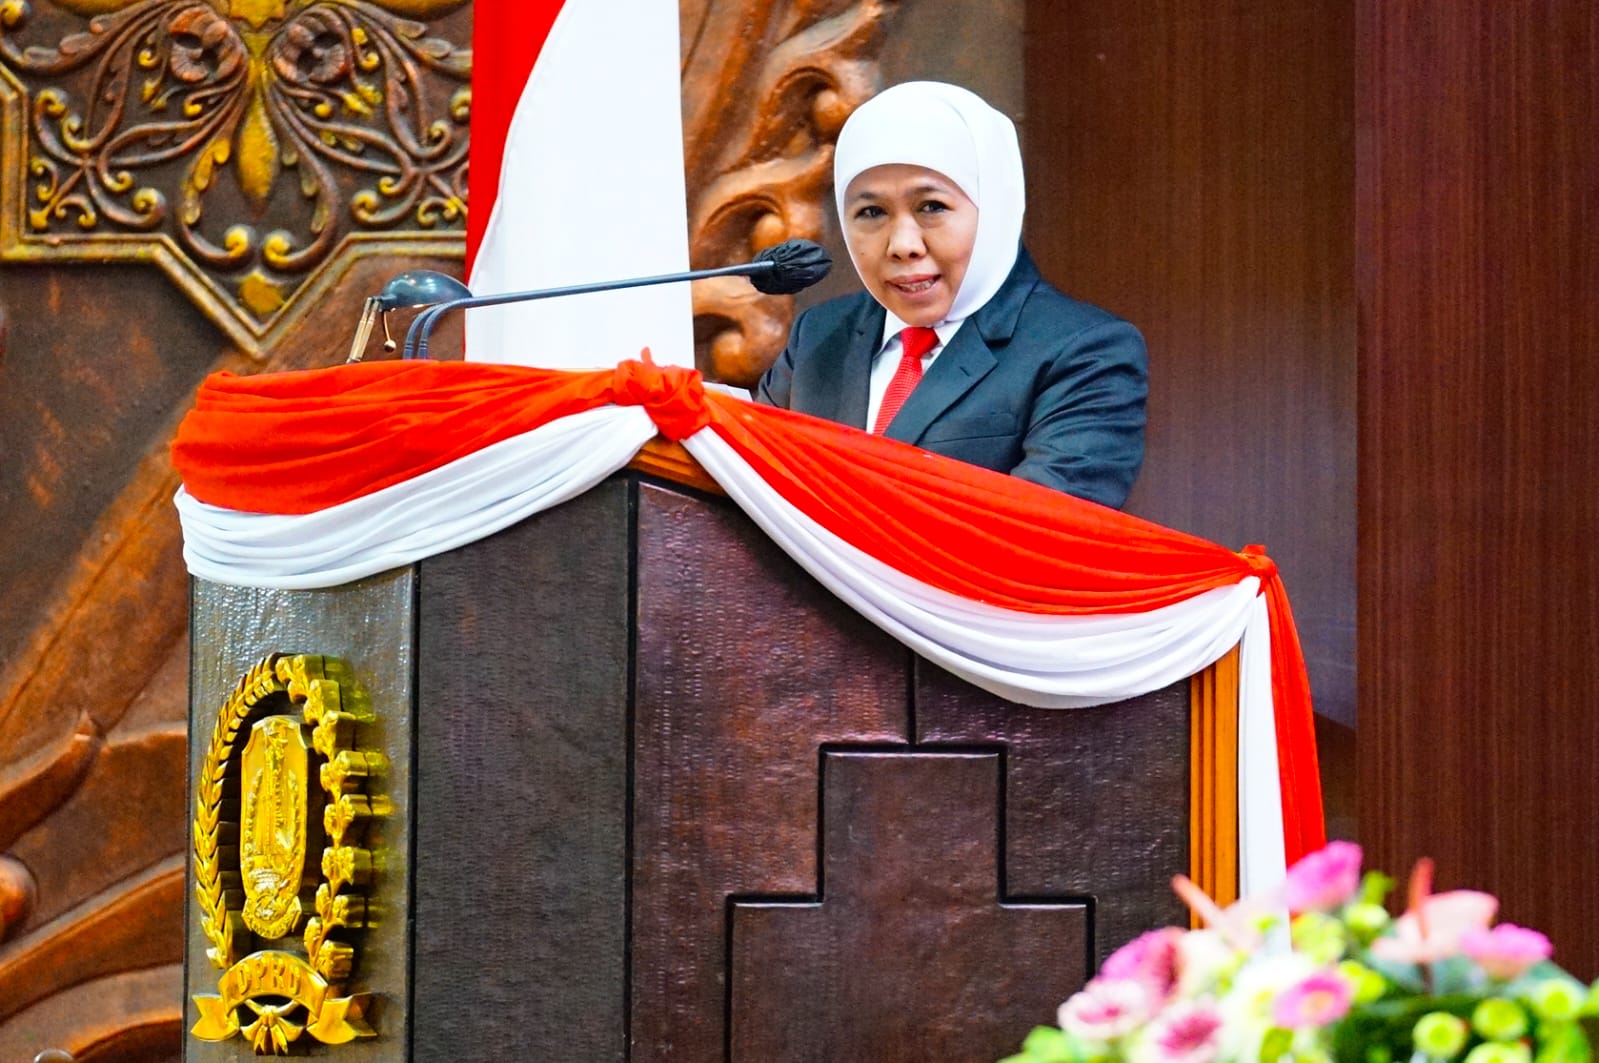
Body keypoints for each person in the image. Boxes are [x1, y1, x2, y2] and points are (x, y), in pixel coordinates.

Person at [754, 81, 1148, 509]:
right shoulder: (818, 336)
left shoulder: (1085, 350)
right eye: (872, 212)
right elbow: (747, 491)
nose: (903, 244)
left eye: (931, 207)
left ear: (994, 206)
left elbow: (1046, 528)